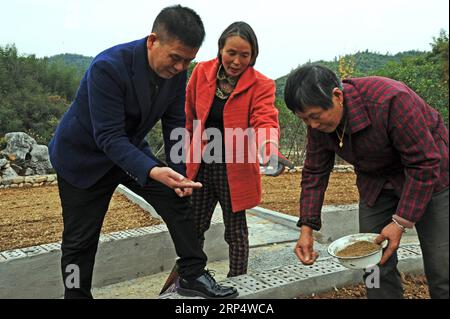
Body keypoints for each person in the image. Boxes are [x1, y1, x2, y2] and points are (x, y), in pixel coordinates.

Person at [48, 5, 237, 299]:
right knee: (79, 241)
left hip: (129, 150)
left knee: (176, 198)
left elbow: (174, 123)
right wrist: (152, 170)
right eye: (175, 58)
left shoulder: (176, 74)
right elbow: (108, 136)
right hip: (82, 159)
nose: (179, 68)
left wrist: (180, 173)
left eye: (187, 61)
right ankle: (75, 294)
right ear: (152, 41)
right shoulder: (108, 67)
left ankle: (192, 274)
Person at [284, 64, 449, 299]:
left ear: (337, 96)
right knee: (371, 264)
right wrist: (306, 228)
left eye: (315, 117)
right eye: (304, 120)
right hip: (377, 184)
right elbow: (314, 173)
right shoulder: (318, 126)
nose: (312, 125)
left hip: (432, 179)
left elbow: (425, 163)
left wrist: (400, 222)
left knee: (442, 262)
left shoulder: (392, 100)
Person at [185, 22, 293, 278]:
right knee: (193, 226)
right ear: (220, 49)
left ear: (253, 56)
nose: (236, 61)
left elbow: (265, 118)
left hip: (235, 167)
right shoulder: (202, 72)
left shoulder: (261, 85)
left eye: (244, 55)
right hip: (200, 163)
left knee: (235, 230)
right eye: (231, 52)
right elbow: (188, 114)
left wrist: (269, 148)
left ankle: (239, 280)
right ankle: (192, 275)